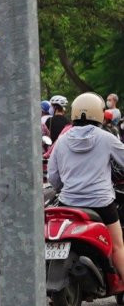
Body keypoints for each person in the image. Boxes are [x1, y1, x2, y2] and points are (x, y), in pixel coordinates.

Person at [47, 93, 124, 276]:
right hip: (101, 203)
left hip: (69, 203)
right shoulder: (106, 138)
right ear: (99, 113)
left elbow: (53, 176)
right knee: (118, 246)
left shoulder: (62, 140)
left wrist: (61, 188)